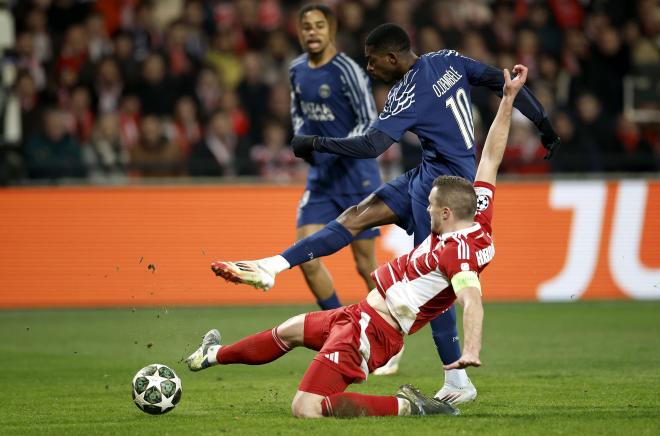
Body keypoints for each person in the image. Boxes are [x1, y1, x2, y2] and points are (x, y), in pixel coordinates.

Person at [212, 24, 560, 402]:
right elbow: (499, 80)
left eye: (373, 60)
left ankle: (457, 381)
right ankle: (274, 265)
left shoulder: (406, 94)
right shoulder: (447, 60)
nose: (370, 67)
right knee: (355, 216)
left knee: (433, 277)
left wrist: (315, 143)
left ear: (393, 57)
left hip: (441, 192)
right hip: (434, 174)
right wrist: (544, 123)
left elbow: (372, 145)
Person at [287, 4, 381, 311]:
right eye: (306, 27)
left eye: (319, 26)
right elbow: (298, 114)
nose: (312, 32)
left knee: (365, 263)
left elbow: (368, 120)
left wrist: (327, 145)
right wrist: (303, 140)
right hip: (322, 178)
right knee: (306, 256)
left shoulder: (348, 71)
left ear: (331, 31)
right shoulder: (296, 70)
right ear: (300, 33)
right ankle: (338, 325)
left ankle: (392, 330)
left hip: (357, 175)